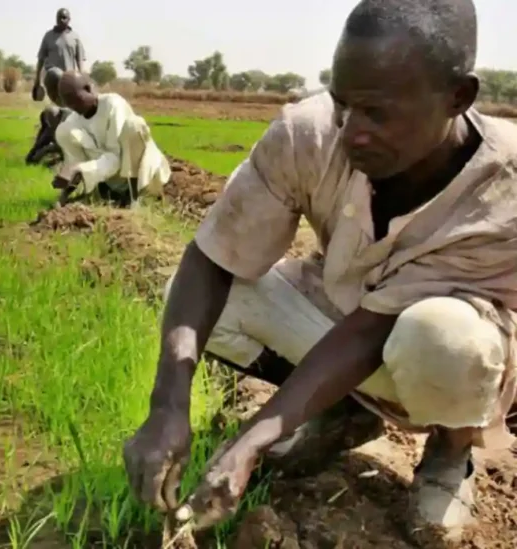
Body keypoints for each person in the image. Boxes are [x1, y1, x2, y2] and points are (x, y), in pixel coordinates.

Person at [122, 0, 517, 542]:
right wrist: (168, 402)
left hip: (441, 352)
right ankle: (342, 411)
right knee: (202, 302)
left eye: (377, 113)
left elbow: (373, 330)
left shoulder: (504, 189)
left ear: (458, 97)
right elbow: (212, 258)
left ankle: (450, 453)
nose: (351, 132)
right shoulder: (308, 134)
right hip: (342, 310)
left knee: (444, 338)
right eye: (343, 105)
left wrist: (249, 443)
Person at [51, 71, 171, 207]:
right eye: (67, 102)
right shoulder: (73, 121)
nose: (72, 106)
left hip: (145, 177)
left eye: (74, 99)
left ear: (88, 89)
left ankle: (135, 199)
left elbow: (115, 159)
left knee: (134, 125)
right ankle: (110, 194)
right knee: (63, 130)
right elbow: (76, 162)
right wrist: (64, 193)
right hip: (113, 182)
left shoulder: (113, 105)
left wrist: (80, 169)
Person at [33, 8, 86, 106]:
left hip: (68, 79)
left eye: (64, 18)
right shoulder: (48, 36)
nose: (61, 20)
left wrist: (81, 79)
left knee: (65, 107)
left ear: (69, 19)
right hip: (51, 77)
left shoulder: (75, 37)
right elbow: (41, 59)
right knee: (56, 73)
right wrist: (37, 81)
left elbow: (79, 59)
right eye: (59, 18)